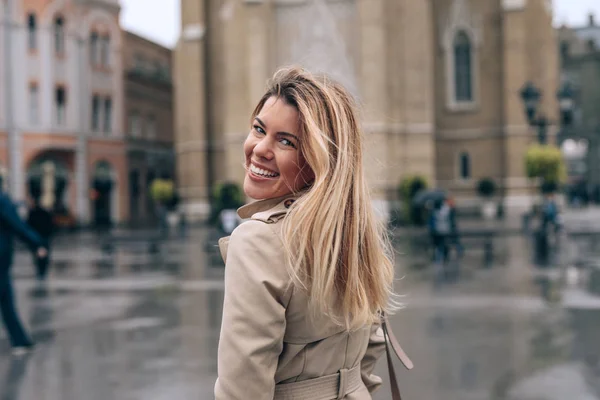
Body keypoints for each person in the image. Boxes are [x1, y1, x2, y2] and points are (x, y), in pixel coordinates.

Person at [214, 67, 410, 399]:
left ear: (318, 160)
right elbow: (368, 355)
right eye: (259, 129)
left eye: (285, 141)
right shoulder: (354, 236)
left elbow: (242, 391)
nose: (260, 148)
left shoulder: (258, 241)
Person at [0, 189, 48, 355]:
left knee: (6, 299)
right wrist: (37, 243)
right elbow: (16, 225)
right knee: (6, 298)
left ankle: (20, 340)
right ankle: (20, 341)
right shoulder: (2, 200)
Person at [26, 201, 54, 280]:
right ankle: (43, 270)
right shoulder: (45, 213)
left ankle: (40, 270)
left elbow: (28, 225)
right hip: (44, 237)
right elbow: (50, 225)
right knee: (44, 253)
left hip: (35, 237)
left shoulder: (32, 214)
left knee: (37, 254)